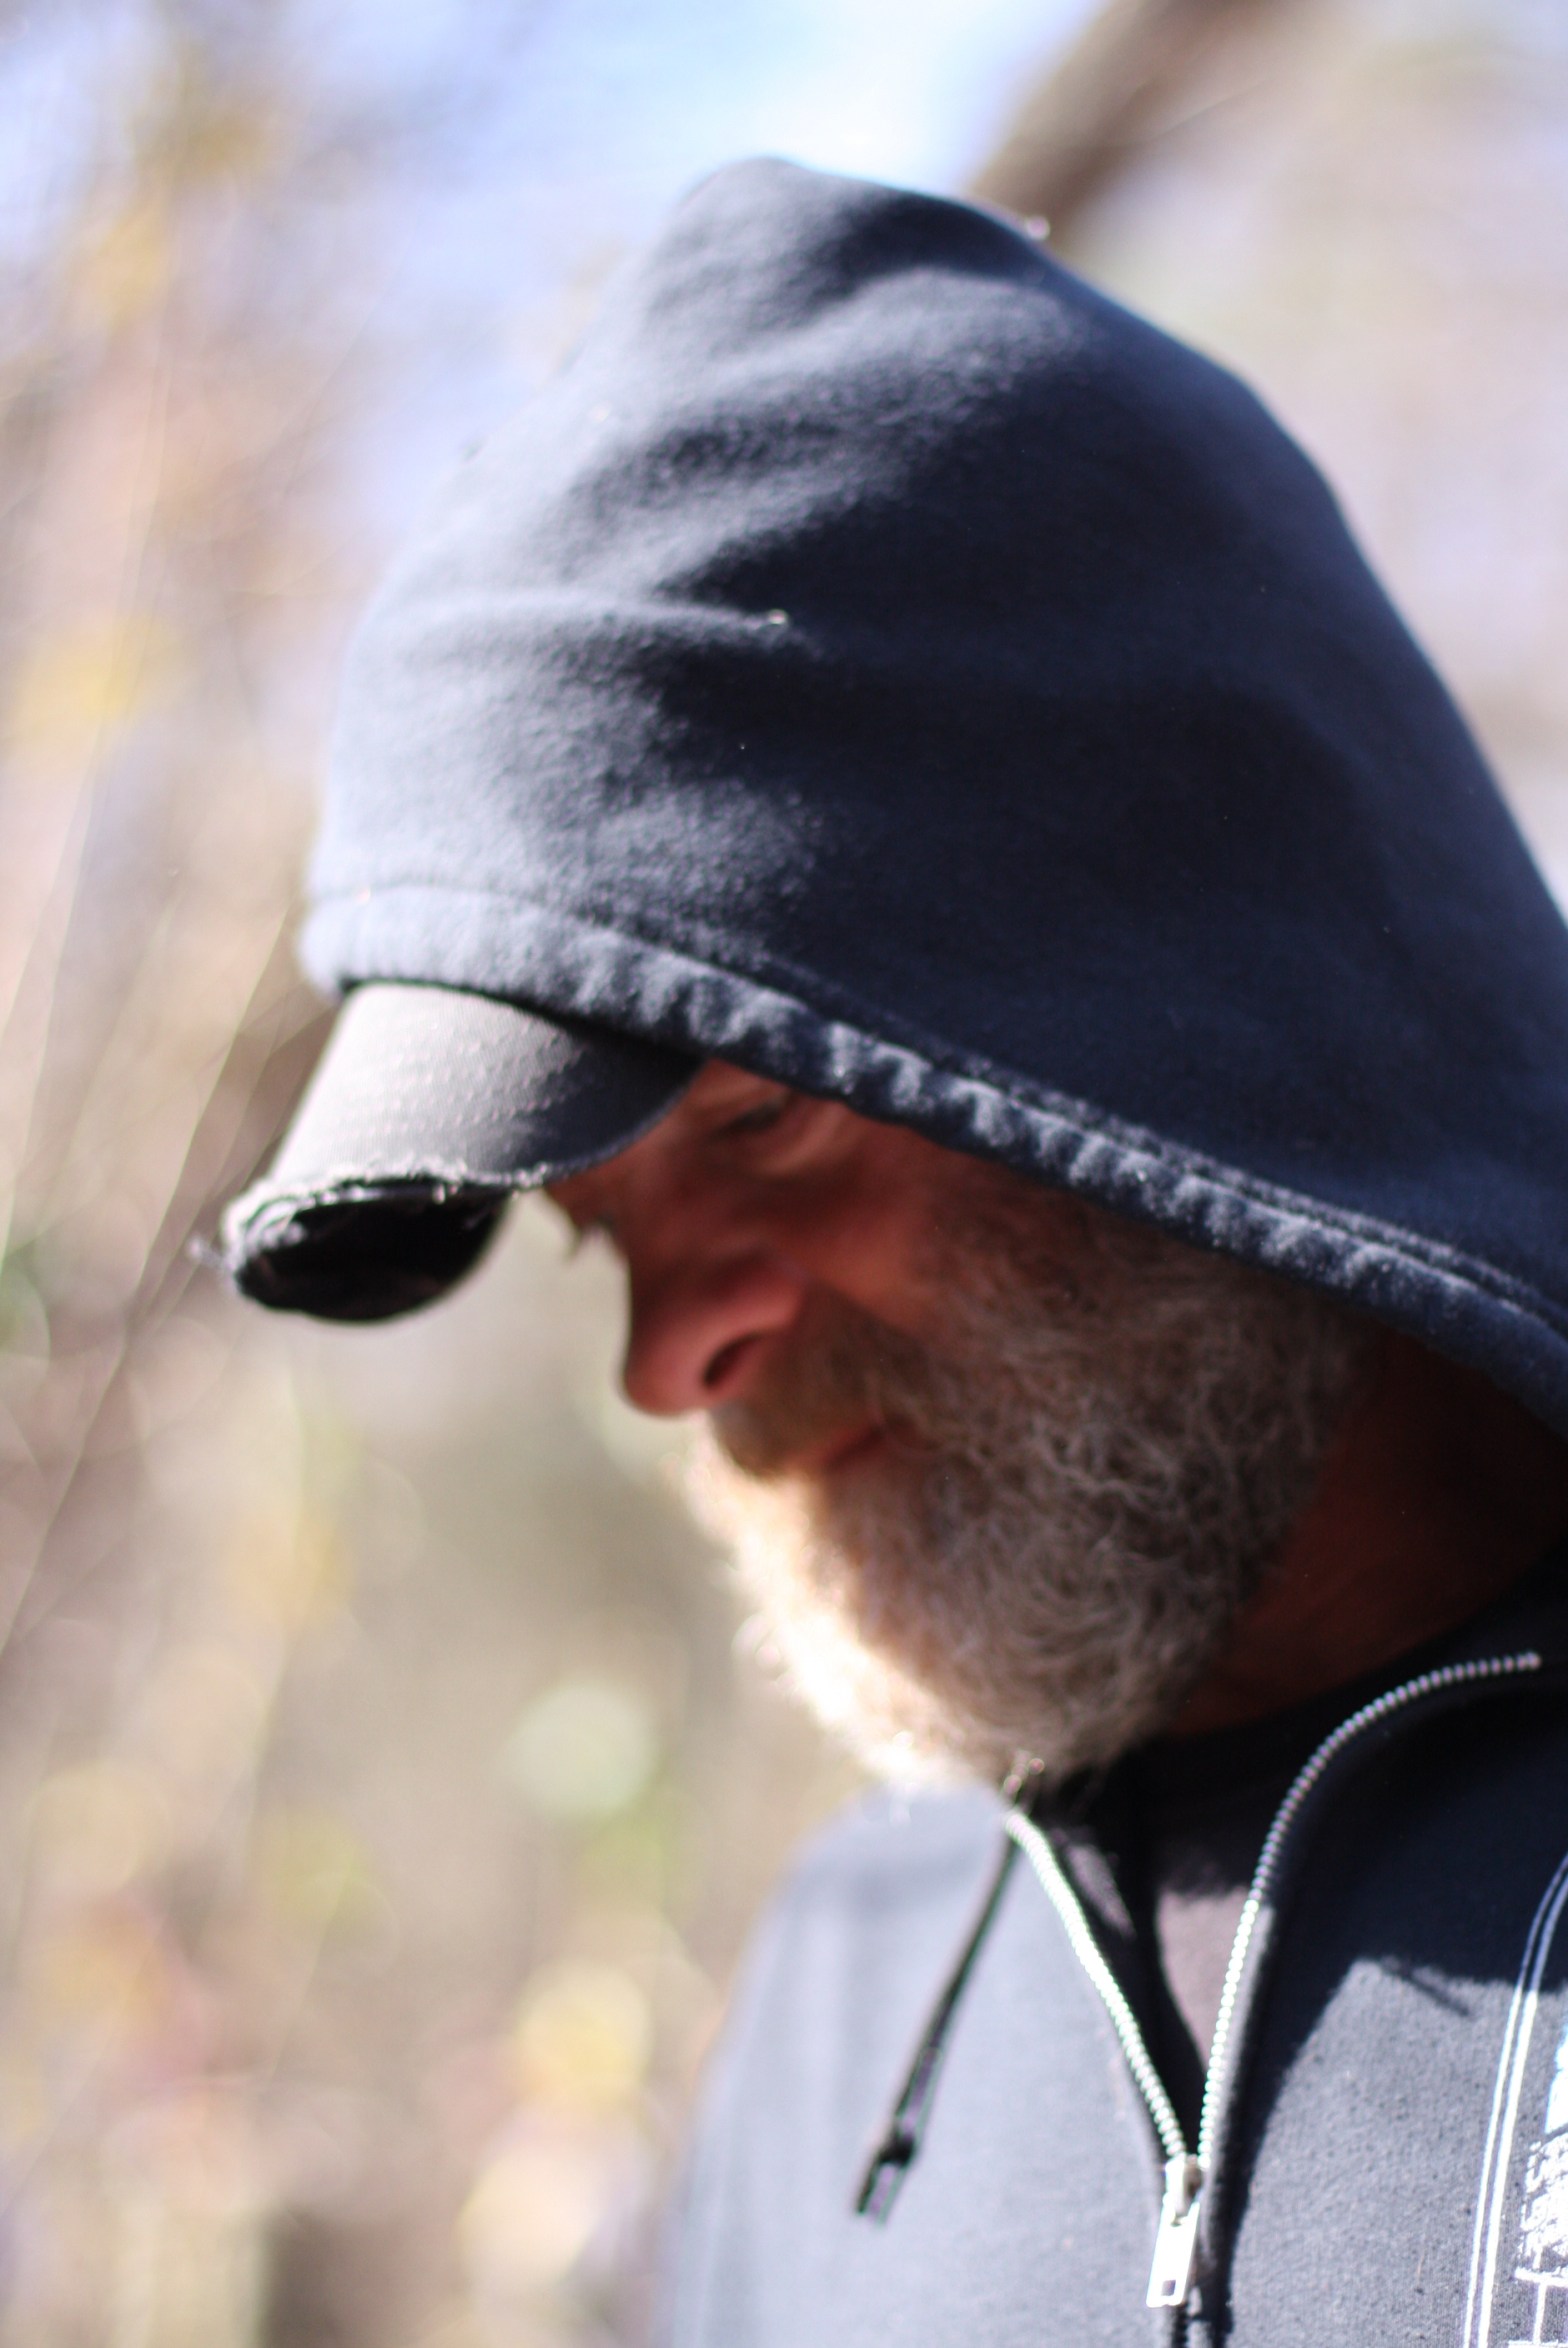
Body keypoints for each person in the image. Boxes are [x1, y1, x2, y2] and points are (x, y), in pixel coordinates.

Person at [221, 158, 1568, 2346]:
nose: (668, 1361)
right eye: (589, 1237)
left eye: (758, 1115)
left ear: (1195, 993)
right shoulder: (843, 1997)